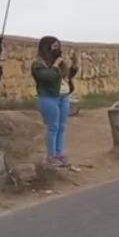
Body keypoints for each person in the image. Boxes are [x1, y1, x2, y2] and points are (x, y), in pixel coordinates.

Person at [31, 36, 77, 167]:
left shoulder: (59, 63)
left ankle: (59, 153)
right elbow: (47, 77)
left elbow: (66, 77)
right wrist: (56, 65)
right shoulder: (38, 64)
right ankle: (51, 155)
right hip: (48, 97)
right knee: (53, 127)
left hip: (63, 96)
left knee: (62, 127)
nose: (57, 49)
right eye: (54, 46)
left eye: (58, 46)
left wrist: (73, 66)